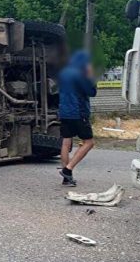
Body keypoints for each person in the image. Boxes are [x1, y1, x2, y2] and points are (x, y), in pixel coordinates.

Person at [57, 50, 97, 186]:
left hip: (64, 112)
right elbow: (92, 92)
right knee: (89, 142)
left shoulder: (64, 74)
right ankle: (68, 170)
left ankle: (66, 178)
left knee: (66, 143)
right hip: (78, 113)